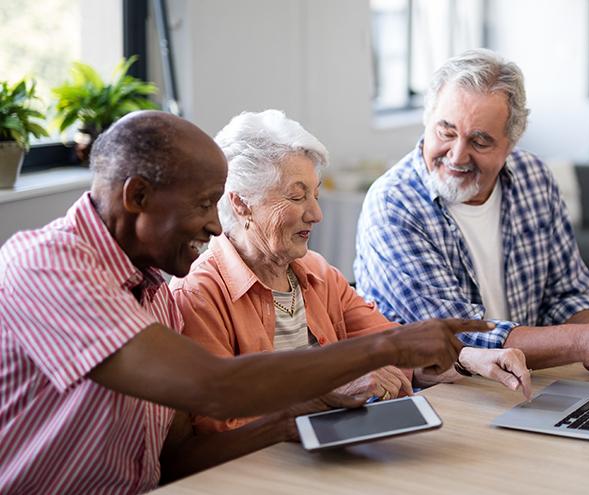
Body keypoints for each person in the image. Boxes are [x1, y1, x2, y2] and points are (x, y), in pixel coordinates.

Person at [0, 111, 490, 493]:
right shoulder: (48, 265)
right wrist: (388, 347)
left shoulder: (154, 294)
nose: (216, 226)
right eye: (203, 204)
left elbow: (176, 461)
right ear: (138, 197)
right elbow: (215, 388)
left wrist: (287, 423)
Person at [170, 110, 531, 433]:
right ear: (241, 203)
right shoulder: (199, 294)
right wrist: (323, 393)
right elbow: (216, 424)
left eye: (315, 195)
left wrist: (470, 358)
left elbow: (395, 348)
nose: (316, 214)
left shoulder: (317, 273)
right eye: (297, 197)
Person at [354, 49, 589, 375]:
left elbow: (567, 294)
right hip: (440, 391)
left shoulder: (534, 177)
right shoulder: (393, 205)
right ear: (427, 121)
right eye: (446, 132)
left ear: (510, 144)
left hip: (525, 382)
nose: (457, 156)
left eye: (479, 141)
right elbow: (456, 336)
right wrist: (585, 341)